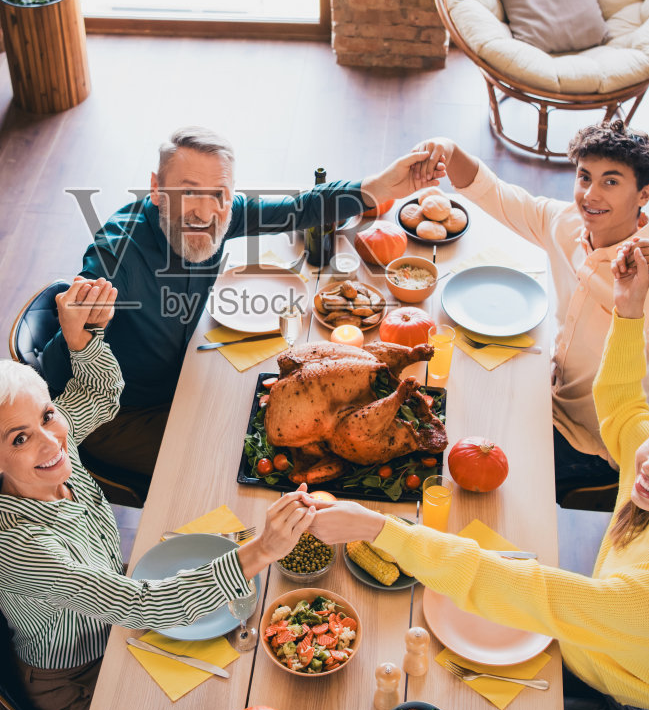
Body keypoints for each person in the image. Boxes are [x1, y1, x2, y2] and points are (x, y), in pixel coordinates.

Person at [306, 243, 649, 710]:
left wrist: (377, 527)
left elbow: (528, 592)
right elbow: (621, 402)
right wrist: (629, 307)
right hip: (601, 659)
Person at [0, 275, 316, 710]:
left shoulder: (55, 446)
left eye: (47, 415)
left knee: (246, 663)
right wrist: (261, 549)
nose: (51, 444)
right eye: (20, 438)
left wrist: (82, 339)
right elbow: (143, 606)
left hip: (116, 614)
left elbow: (98, 395)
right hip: (77, 679)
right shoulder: (24, 548)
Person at [40, 125, 431, 479]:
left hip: (183, 376)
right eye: (188, 190)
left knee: (282, 425)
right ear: (157, 189)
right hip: (116, 413)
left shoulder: (225, 211)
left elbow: (303, 207)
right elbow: (59, 377)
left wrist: (379, 187)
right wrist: (76, 334)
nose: (206, 212)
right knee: (231, 461)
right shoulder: (115, 255)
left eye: (219, 195)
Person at [410, 122, 649, 490]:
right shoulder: (567, 223)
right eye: (584, 177)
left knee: (463, 468)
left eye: (611, 181)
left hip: (592, 439)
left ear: (644, 193)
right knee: (449, 402)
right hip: (545, 386)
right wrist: (447, 146)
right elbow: (497, 194)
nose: (590, 195)